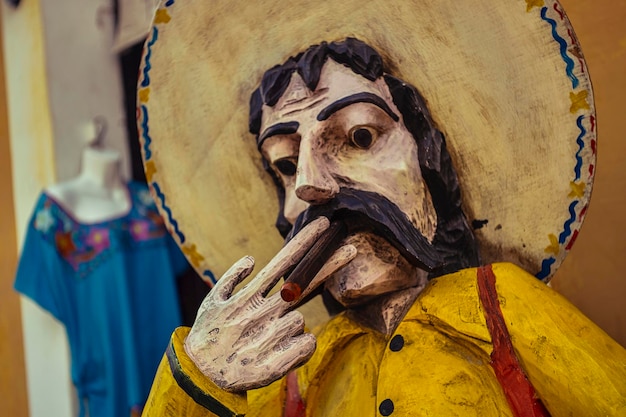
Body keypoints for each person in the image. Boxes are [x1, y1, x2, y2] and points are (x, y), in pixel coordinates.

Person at [140, 38, 626, 417]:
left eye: (360, 136)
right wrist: (199, 379)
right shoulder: (296, 372)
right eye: (286, 166)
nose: (310, 184)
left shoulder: (498, 306)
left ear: (430, 161)